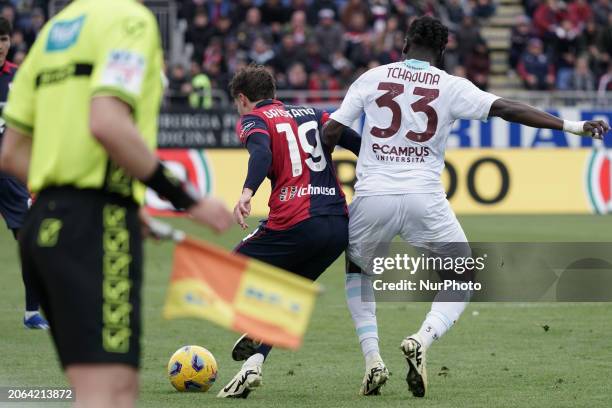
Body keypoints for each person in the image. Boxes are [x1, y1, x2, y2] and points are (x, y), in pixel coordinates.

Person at [322, 16, 609, 398]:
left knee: (359, 272)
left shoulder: (372, 78)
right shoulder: (450, 85)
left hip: (373, 195)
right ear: (442, 51)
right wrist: (572, 127)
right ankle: (422, 338)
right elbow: (508, 108)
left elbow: (332, 131)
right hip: (425, 197)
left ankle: (373, 359)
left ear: (405, 44)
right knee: (462, 275)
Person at [0, 1, 232, 407]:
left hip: (46, 226)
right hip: (96, 224)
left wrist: (94, 195)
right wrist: (187, 198)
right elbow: (107, 122)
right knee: (109, 394)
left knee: (102, 390)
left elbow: (12, 153)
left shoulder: (53, 34)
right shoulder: (129, 20)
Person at [216, 64, 360, 399]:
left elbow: (262, 152)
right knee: (288, 293)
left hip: (295, 222)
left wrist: (248, 191)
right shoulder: (317, 114)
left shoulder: (255, 119)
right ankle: (252, 366)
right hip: (338, 226)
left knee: (226, 270)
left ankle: (255, 316)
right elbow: (357, 142)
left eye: (237, 103)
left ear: (242, 98)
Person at [0, 16, 48, 329]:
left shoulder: (19, 78)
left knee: (29, 239)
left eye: (3, 40)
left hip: (10, 172)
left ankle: (32, 312)